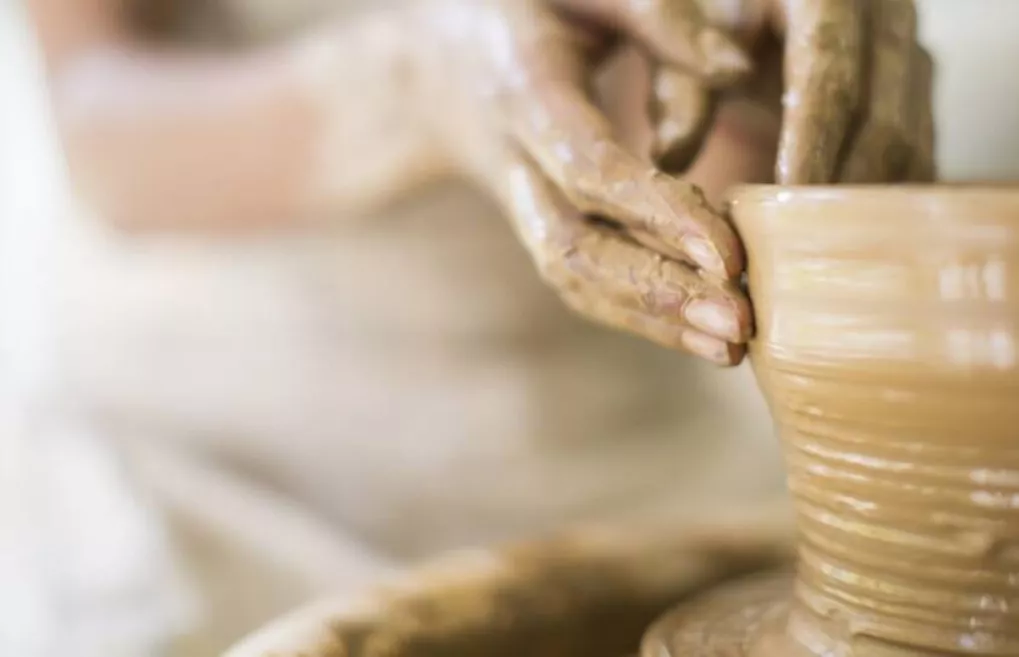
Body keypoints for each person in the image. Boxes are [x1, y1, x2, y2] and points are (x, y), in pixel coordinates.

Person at [21, 0, 932, 654]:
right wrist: (412, 74)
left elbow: (691, 115)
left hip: (628, 435)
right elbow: (97, 109)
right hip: (228, 459)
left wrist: (752, 85)